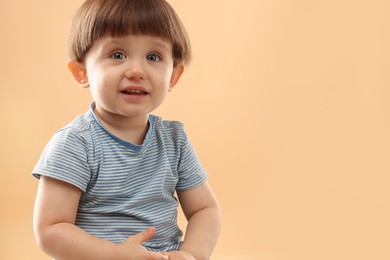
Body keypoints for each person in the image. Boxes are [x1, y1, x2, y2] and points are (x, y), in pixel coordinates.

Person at [32, 0, 221, 259]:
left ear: (173, 77)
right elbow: (50, 230)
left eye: (153, 57)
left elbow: (205, 210)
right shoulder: (75, 143)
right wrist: (113, 253)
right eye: (117, 55)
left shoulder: (174, 139)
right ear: (82, 72)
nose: (136, 71)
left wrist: (191, 254)